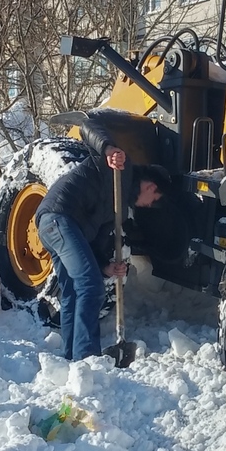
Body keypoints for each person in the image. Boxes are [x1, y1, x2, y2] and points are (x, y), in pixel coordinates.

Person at [35, 146, 168, 362]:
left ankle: (70, 357)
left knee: (72, 292)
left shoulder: (119, 208)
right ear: (151, 186)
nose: (147, 205)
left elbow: (96, 242)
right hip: (60, 218)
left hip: (55, 227)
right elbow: (90, 127)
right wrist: (109, 149)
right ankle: (86, 356)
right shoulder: (117, 169)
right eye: (152, 200)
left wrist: (106, 267)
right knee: (91, 285)